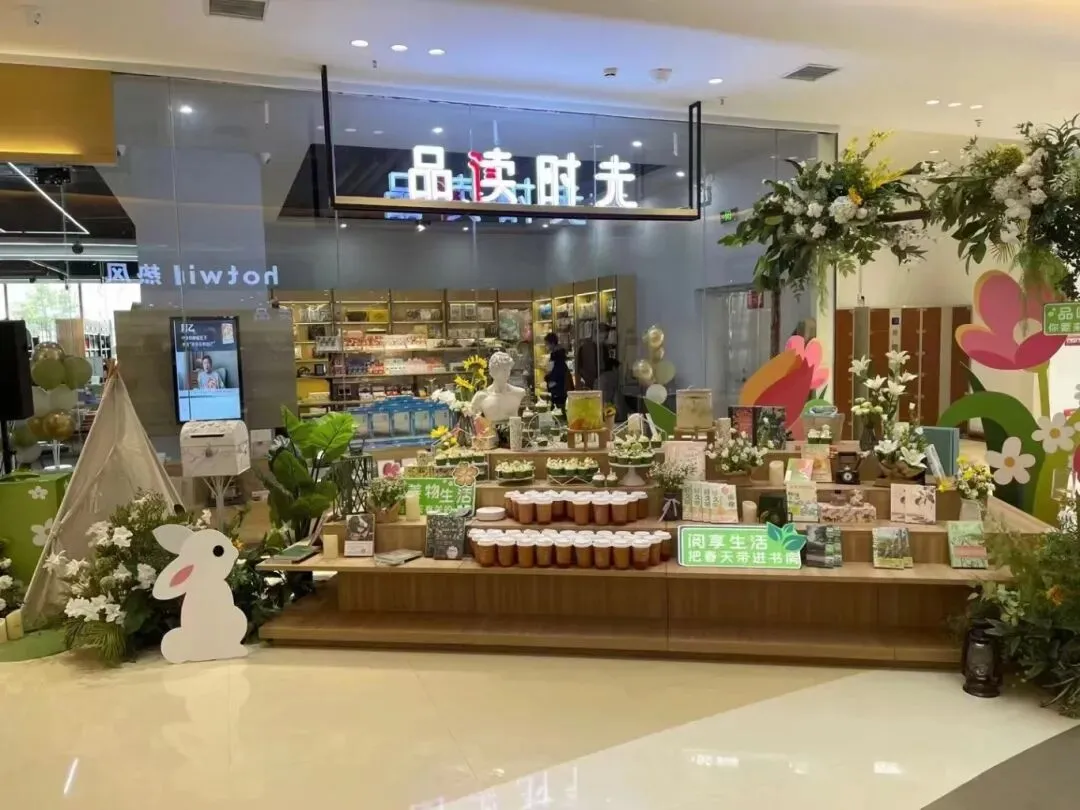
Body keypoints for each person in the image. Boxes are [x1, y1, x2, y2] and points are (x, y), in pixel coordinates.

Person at [543, 332, 571, 411]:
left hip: (558, 390)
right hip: (559, 389)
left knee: (558, 410)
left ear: (552, 343)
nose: (546, 346)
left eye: (547, 344)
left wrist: (548, 378)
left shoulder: (557, 357)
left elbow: (556, 374)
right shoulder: (558, 356)